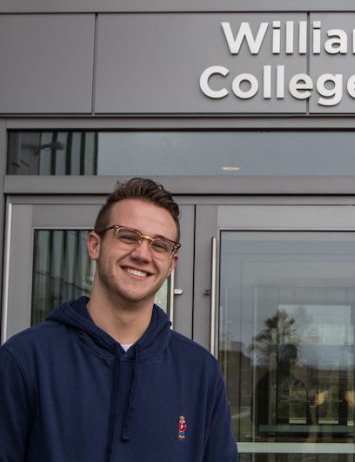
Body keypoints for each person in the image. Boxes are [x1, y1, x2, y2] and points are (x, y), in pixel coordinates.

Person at [0, 178, 238, 462]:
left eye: (159, 245)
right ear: (94, 245)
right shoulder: (24, 360)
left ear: (171, 264)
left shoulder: (200, 372)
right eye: (128, 236)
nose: (141, 254)